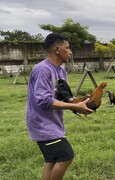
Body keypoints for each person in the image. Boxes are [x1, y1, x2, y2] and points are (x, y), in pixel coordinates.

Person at [26, 32, 94, 180]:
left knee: (51, 160)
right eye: (68, 48)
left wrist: (79, 103)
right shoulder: (43, 70)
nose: (70, 52)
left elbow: (62, 95)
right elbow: (44, 100)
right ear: (57, 50)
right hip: (42, 124)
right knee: (65, 156)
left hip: (54, 123)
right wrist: (76, 107)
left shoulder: (61, 70)